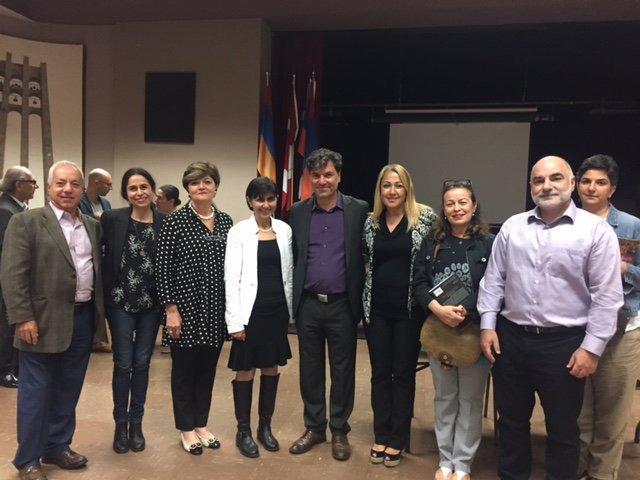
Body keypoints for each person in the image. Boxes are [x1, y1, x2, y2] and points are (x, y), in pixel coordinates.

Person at [477, 156, 624, 480]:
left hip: (564, 344)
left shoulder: (596, 231)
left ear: (571, 183)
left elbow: (607, 296)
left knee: (562, 428)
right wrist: (487, 325)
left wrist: (592, 348)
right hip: (511, 339)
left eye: (555, 178)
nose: (546, 185)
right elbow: (494, 280)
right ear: (531, 187)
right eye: (538, 180)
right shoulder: (513, 227)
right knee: (511, 421)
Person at [1, 160, 106, 480]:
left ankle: (57, 446)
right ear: (48, 188)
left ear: (82, 189)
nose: (67, 189)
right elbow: (13, 274)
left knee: (68, 389)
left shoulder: (92, 225)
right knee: (35, 392)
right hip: (40, 322)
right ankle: (28, 459)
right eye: (60, 183)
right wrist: (23, 318)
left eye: (74, 184)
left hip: (82, 319)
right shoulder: (26, 222)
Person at [288, 148, 369, 461]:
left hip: (342, 305)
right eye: (316, 175)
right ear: (310, 178)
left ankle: (338, 430)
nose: (322, 180)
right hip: (308, 304)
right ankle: (314, 427)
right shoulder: (298, 211)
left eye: (328, 174)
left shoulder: (358, 210)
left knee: (342, 370)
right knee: (309, 370)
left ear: (339, 176)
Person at [413, 179, 494, 480]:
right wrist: (437, 309)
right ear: (444, 209)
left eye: (463, 202)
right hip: (440, 332)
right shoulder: (432, 242)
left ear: (474, 207)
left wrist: (465, 313)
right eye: (450, 203)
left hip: (474, 333)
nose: (456, 208)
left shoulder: (489, 243)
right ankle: (445, 459)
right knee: (445, 398)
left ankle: (462, 464)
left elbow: (495, 285)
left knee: (470, 400)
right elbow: (419, 282)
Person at [155, 161, 233, 456]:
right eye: (195, 182)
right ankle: (186, 428)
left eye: (207, 181)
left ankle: (201, 423)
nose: (201, 186)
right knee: (184, 371)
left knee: (207, 370)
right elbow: (162, 270)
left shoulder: (226, 222)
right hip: (184, 312)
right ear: (187, 188)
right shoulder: (175, 221)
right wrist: (171, 311)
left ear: (216, 186)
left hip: (215, 310)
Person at [361, 164, 436, 467]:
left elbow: (433, 262)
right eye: (386, 185)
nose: (392, 191)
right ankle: (381, 433)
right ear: (380, 190)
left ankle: (397, 438)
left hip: (409, 311)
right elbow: (366, 261)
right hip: (376, 310)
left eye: (398, 185)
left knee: (403, 374)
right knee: (380, 374)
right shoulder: (370, 223)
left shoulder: (425, 219)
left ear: (407, 189)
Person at [575, 155, 640, 480]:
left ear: (612, 189)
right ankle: (577, 468)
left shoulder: (630, 226)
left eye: (600, 182)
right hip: (575, 328)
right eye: (586, 181)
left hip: (620, 329)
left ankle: (602, 474)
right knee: (579, 410)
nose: (592, 188)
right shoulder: (565, 222)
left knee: (612, 412)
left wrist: (625, 268)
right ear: (576, 185)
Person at [224, 177, 293, 458]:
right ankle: (244, 431)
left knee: (271, 368)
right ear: (250, 201)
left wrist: (290, 312)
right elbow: (231, 279)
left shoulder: (284, 230)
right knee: (245, 370)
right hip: (249, 314)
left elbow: (288, 273)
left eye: (270, 199)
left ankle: (265, 427)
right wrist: (234, 322)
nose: (266, 205)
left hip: (277, 312)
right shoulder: (238, 232)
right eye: (259, 199)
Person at [102, 168, 166, 454]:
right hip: (120, 303)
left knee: (142, 364)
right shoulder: (113, 219)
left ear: (152, 189)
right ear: (125, 193)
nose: (139, 192)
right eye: (132, 188)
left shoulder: (166, 222)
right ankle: (120, 423)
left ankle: (136, 423)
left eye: (143, 187)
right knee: (123, 364)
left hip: (151, 306)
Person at [0, 166, 38, 389]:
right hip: (8, 279)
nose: (35, 187)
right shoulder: (6, 211)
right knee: (7, 323)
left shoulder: (17, 208)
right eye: (32, 183)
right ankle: (6, 370)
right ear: (18, 184)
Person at [80, 168, 113, 354]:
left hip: (102, 253)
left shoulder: (105, 203)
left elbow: (109, 225)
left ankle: (98, 338)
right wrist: (98, 219)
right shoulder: (80, 201)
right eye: (108, 184)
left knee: (100, 298)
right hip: (85, 255)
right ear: (96, 182)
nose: (110, 188)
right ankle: (91, 339)